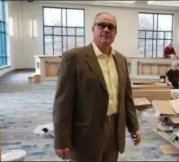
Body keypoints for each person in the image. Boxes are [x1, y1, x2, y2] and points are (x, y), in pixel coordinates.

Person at [52, 12, 141, 162]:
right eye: (101, 25)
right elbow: (62, 103)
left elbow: (127, 98)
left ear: (115, 33)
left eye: (110, 27)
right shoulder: (74, 57)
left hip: (114, 131)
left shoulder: (121, 60)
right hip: (85, 133)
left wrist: (134, 127)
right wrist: (61, 139)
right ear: (93, 29)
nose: (106, 29)